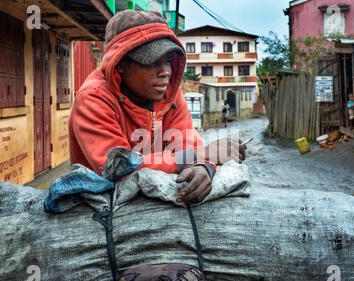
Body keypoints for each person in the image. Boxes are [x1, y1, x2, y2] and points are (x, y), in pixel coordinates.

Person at [69, 10, 246, 204]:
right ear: (119, 63)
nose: (166, 72)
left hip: (157, 206)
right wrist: (198, 156)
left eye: (168, 61)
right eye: (152, 61)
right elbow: (119, 168)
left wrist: (203, 167)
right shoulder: (93, 99)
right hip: (100, 212)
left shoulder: (168, 94)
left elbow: (187, 144)